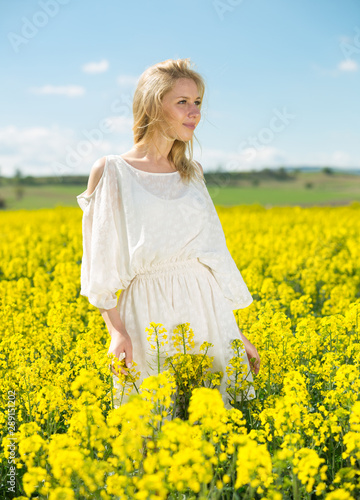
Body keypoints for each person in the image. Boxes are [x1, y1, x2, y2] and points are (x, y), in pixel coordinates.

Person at [76, 58, 260, 409]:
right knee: (152, 432)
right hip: (146, 316)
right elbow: (101, 262)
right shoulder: (111, 171)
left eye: (198, 103)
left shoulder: (193, 173)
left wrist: (235, 333)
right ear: (152, 105)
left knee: (215, 428)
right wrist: (116, 332)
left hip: (206, 310)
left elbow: (212, 255)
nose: (194, 113)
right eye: (182, 102)